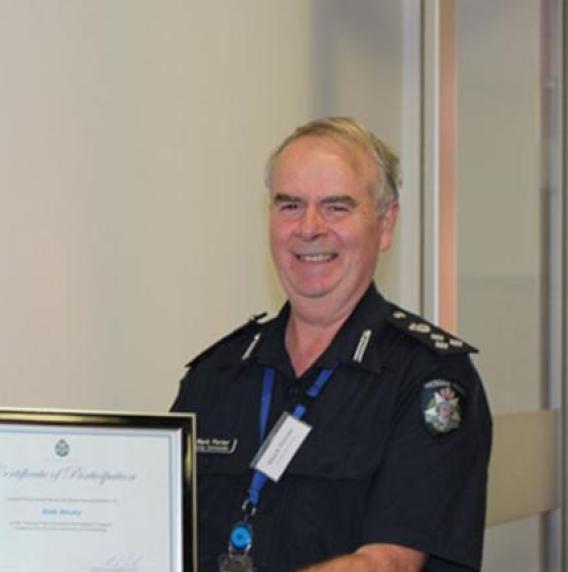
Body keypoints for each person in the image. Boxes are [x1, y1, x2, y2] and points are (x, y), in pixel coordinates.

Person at [171, 117, 491, 571]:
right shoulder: (216, 376)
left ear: (385, 224)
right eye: (290, 205)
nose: (309, 228)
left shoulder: (429, 381)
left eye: (336, 207)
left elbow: (389, 562)